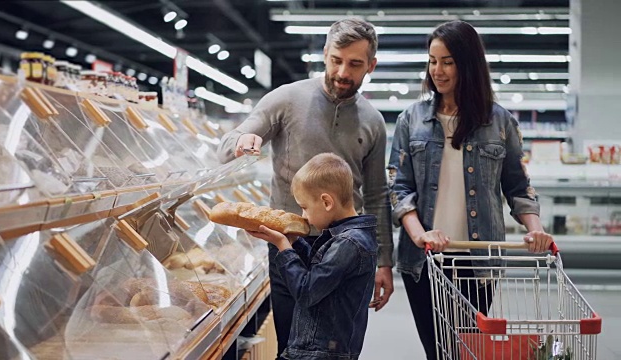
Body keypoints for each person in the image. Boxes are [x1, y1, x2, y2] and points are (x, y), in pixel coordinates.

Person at [217, 18, 394, 358]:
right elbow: (228, 143)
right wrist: (242, 140)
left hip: (346, 250)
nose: (343, 71)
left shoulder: (373, 121)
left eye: (355, 64)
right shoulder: (284, 100)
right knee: (292, 345)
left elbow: (375, 195)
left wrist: (385, 260)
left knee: (338, 344)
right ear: (325, 54)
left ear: (371, 65)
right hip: (290, 243)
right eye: (336, 60)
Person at [387, 20, 554, 359]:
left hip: (477, 260)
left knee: (466, 350)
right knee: (437, 351)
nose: (438, 70)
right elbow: (398, 188)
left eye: (448, 61)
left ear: (469, 63)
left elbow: (518, 186)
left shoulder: (500, 122)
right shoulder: (412, 119)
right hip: (424, 260)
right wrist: (421, 235)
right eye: (433, 61)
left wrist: (536, 230)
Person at [247, 153, 377, 359]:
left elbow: (307, 291)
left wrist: (283, 247)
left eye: (305, 207)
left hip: (319, 353)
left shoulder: (348, 243)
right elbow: (321, 273)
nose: (304, 215)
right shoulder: (347, 237)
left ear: (326, 202)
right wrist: (295, 242)